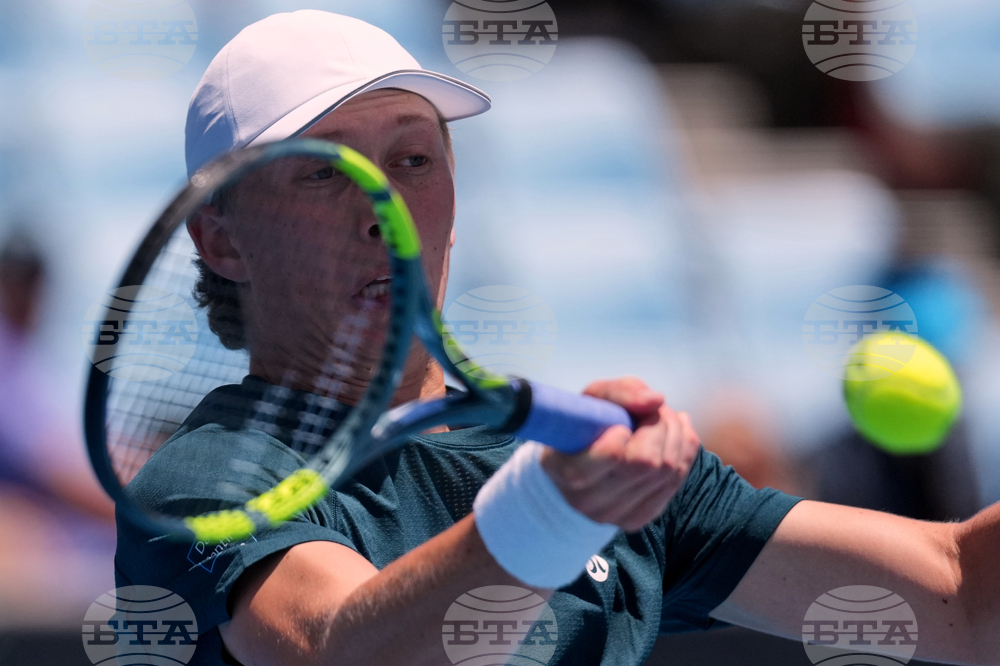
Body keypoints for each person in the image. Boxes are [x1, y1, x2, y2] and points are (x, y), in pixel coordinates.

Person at [116, 11, 999, 666]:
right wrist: (553, 514)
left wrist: (563, 501)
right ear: (222, 239)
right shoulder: (204, 485)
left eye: (413, 160)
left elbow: (961, 595)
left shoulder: (581, 469)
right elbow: (340, 650)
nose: (383, 210)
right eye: (323, 172)